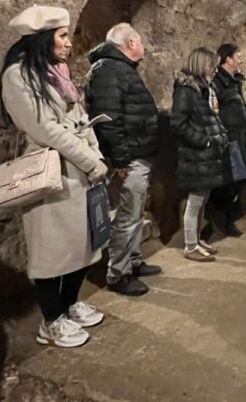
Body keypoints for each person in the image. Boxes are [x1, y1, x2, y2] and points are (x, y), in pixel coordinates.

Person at [0, 5, 107, 349]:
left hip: (78, 171)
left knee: (81, 246)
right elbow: (45, 129)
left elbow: (80, 116)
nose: (68, 44)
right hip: (52, 174)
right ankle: (51, 320)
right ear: (43, 38)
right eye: (62, 36)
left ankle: (69, 303)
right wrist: (90, 161)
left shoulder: (56, 71)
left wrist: (96, 154)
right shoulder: (18, 76)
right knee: (51, 252)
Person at [85, 23, 162, 297]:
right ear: (130, 43)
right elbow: (108, 121)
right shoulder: (109, 70)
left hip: (136, 154)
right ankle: (119, 273)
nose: (144, 46)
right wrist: (119, 160)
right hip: (128, 159)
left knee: (134, 213)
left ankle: (133, 260)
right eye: (140, 40)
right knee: (126, 217)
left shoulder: (121, 70)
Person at [171, 47, 231, 262]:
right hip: (196, 155)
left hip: (207, 155)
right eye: (211, 65)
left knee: (203, 199)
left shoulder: (204, 88)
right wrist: (204, 140)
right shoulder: (186, 90)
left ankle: (196, 239)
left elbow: (211, 118)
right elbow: (178, 123)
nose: (214, 69)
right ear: (200, 64)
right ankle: (190, 246)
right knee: (195, 201)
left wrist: (219, 138)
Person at [204, 43, 246, 239]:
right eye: (237, 55)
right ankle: (220, 220)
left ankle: (223, 218)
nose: (240, 58)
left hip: (239, 136)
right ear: (228, 59)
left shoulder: (234, 80)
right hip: (227, 138)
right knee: (228, 181)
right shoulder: (216, 83)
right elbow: (212, 110)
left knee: (238, 179)